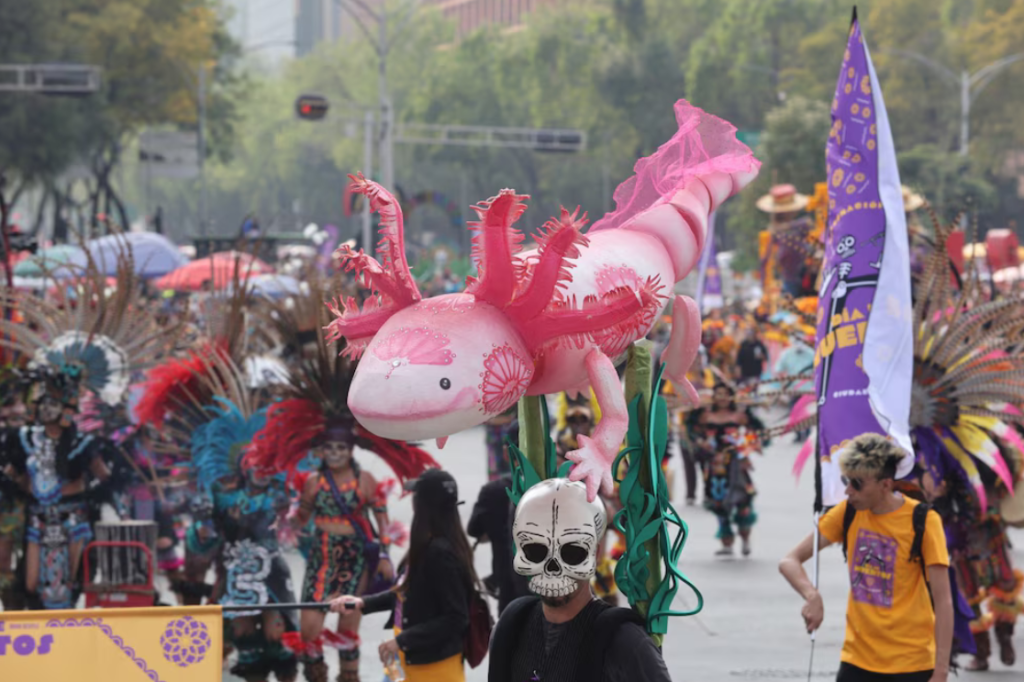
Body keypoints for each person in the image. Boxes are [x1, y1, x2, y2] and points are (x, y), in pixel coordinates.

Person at [779, 433, 954, 682]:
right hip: (857, 661)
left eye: (857, 483)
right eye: (846, 480)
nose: (848, 490)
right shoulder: (848, 512)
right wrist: (812, 595)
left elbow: (944, 600)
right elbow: (789, 561)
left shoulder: (924, 521)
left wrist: (941, 671)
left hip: (912, 663)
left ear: (885, 484)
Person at [488, 478, 672, 682]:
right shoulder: (512, 628)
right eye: (536, 550)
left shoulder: (626, 642)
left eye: (572, 552)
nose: (553, 570)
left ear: (595, 553)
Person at [330, 469, 477, 682]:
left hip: (433, 670)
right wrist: (361, 602)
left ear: (423, 505)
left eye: (415, 496)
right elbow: (406, 593)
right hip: (409, 660)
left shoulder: (441, 553)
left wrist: (402, 641)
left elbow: (456, 618)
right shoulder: (430, 545)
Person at [691, 382, 762, 557]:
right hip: (716, 466)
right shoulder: (704, 415)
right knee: (718, 503)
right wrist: (702, 443)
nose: (722, 398)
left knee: (743, 501)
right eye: (718, 394)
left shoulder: (740, 415)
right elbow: (692, 432)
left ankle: (745, 539)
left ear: (731, 396)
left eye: (725, 394)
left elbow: (757, 432)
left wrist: (747, 445)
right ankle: (727, 543)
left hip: (737, 465)